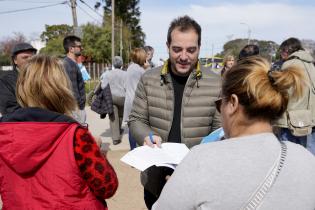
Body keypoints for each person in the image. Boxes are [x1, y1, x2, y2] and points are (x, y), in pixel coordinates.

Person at [152, 56, 315, 210]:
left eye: (219, 104)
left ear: (233, 103)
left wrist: (175, 185)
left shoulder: (201, 160)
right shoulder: (305, 159)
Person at [0, 55, 118, 209]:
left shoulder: (3, 133)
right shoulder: (75, 136)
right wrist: (98, 151)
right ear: (61, 87)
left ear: (22, 86)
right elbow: (107, 186)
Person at [128, 15, 221, 209]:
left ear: (199, 47)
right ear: (168, 46)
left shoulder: (216, 83)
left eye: (191, 50)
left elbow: (220, 131)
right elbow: (136, 119)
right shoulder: (149, 79)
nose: (184, 56)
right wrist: (147, 136)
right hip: (156, 179)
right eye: (177, 49)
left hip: (198, 180)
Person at [273, 37, 315, 155]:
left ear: (287, 50)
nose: (281, 54)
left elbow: (282, 91)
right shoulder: (311, 65)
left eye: (282, 51)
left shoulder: (289, 64)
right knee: (308, 156)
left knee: (288, 155)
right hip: (310, 118)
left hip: (291, 119)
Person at [0, 42, 37, 115]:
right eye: (25, 58)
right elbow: (9, 109)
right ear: (15, 60)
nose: (30, 60)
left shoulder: (42, 77)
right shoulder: (5, 81)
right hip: (22, 124)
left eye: (32, 57)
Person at [123, 48, 149, 150]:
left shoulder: (130, 68)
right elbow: (149, 83)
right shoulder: (141, 70)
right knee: (139, 127)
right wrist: (147, 68)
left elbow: (125, 86)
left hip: (129, 100)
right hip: (138, 102)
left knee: (131, 127)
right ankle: (137, 152)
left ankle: (132, 150)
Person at [101, 56, 126, 145]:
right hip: (123, 98)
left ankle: (116, 138)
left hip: (112, 97)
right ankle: (119, 130)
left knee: (113, 117)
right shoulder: (125, 74)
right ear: (121, 64)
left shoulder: (108, 74)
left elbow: (103, 86)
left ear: (113, 64)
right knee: (120, 115)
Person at [63, 35, 86, 124]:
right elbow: (72, 89)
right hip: (75, 108)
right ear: (71, 49)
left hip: (75, 107)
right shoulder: (68, 64)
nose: (82, 48)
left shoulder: (71, 63)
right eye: (79, 46)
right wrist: (80, 106)